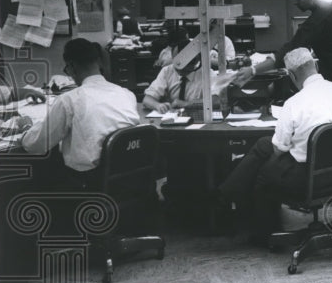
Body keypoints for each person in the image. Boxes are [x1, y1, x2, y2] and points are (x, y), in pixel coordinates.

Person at [216, 47, 332, 244]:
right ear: (316, 65)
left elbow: (279, 150)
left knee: (263, 169)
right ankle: (225, 196)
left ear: (291, 75)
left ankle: (261, 232)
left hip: (306, 181)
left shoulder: (294, 103)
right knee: (264, 146)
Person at [18, 37, 140, 183]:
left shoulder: (69, 100)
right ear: (98, 62)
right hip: (130, 177)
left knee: (44, 175)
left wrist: (26, 127)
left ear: (71, 67)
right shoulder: (126, 94)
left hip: (90, 182)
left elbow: (37, 145)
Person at [142, 47, 216, 113]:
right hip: (171, 119)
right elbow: (147, 99)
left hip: (198, 119)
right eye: (177, 64)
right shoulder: (167, 71)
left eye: (184, 66)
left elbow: (216, 101)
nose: (179, 69)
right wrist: (158, 105)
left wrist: (186, 104)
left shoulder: (207, 74)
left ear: (195, 62)